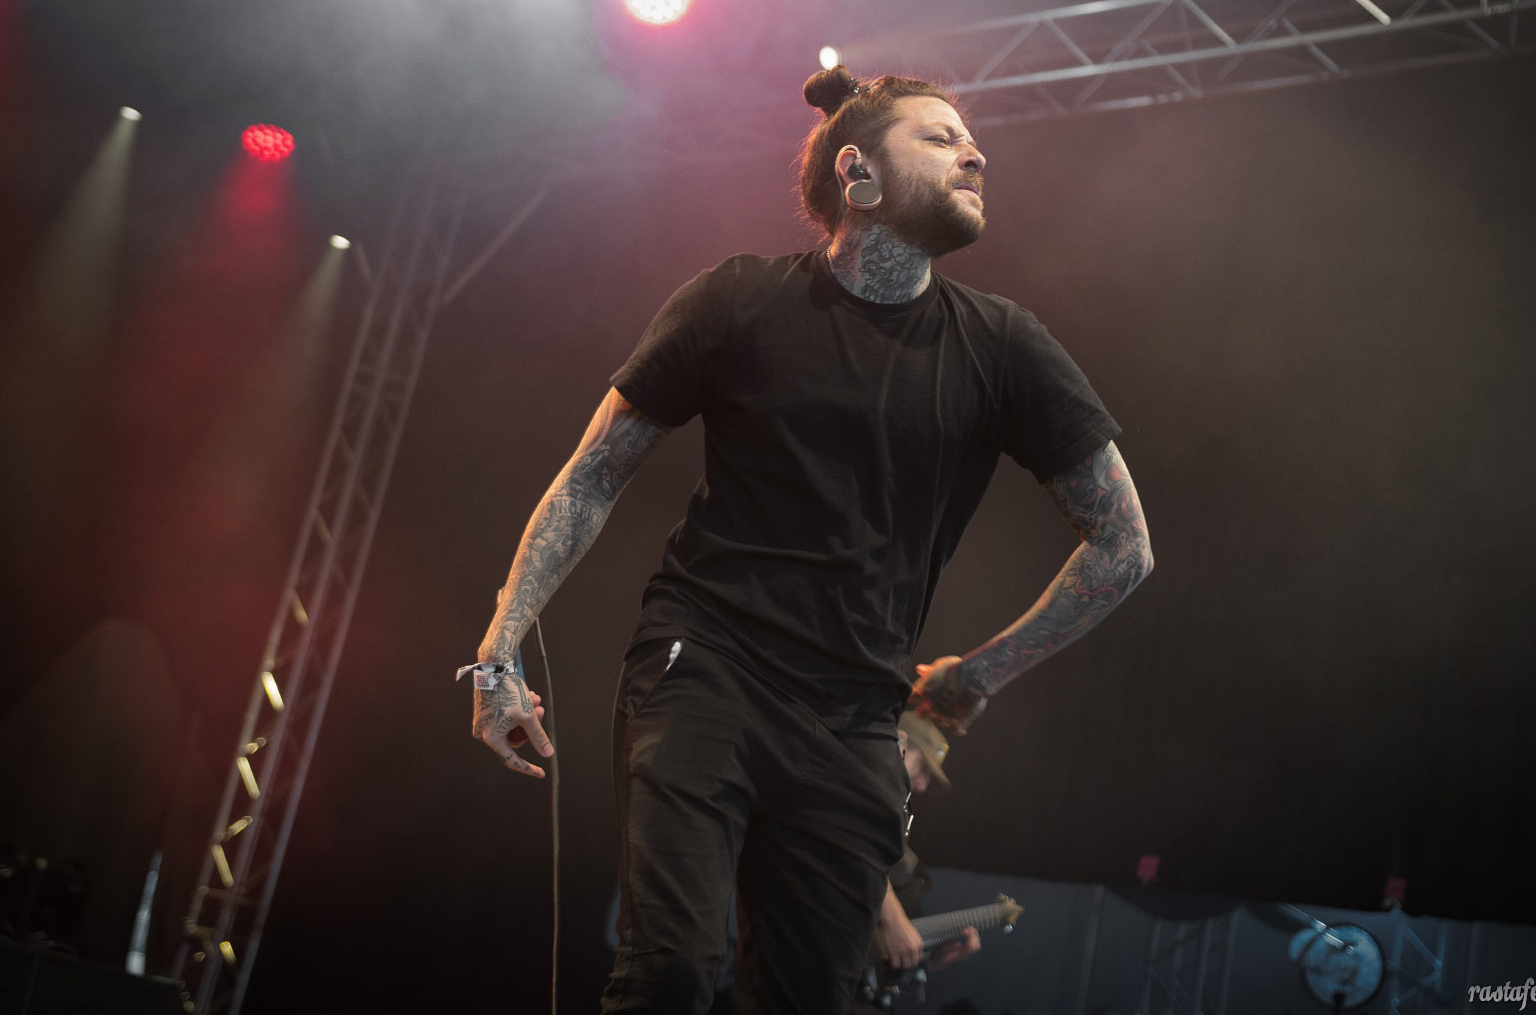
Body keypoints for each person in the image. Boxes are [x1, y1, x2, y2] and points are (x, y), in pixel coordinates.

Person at [465, 64, 1154, 1015]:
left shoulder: (1003, 346)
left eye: (971, 139)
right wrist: (499, 648)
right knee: (670, 971)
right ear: (857, 173)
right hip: (706, 666)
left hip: (856, 716)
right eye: (940, 137)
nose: (975, 154)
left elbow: (1123, 545)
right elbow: (593, 473)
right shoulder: (738, 299)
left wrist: (977, 674)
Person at [867, 712, 979, 999]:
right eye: (923, 768)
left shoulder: (904, 854)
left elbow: (876, 953)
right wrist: (893, 919)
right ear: (899, 745)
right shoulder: (854, 796)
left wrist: (927, 961)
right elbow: (852, 850)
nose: (922, 785)